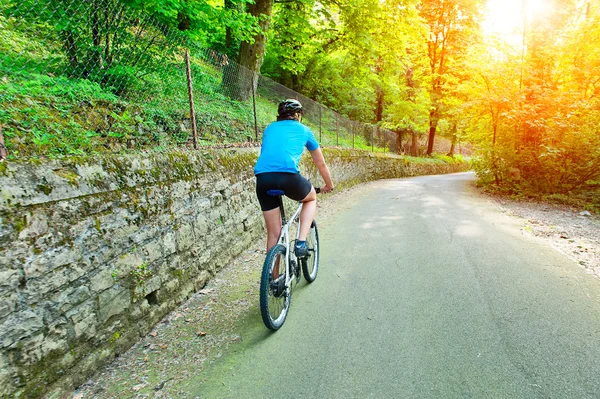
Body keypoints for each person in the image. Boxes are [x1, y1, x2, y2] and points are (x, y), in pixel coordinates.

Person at [254, 99, 334, 260]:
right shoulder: (304, 130)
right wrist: (329, 185)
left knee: (273, 234)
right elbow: (321, 163)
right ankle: (301, 243)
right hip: (288, 177)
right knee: (310, 198)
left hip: (263, 179)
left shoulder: (269, 129)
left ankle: (273, 281)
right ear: (298, 115)